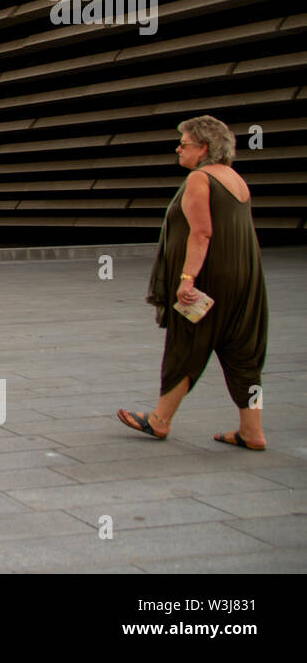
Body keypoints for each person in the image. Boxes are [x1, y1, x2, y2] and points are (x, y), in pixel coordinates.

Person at [118, 116, 269, 450]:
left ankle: (159, 420)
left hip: (209, 281)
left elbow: (201, 233)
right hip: (246, 279)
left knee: (187, 344)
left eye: (184, 143)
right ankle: (252, 430)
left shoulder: (201, 179)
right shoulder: (235, 178)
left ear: (203, 148)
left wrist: (187, 280)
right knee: (242, 352)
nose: (178, 148)